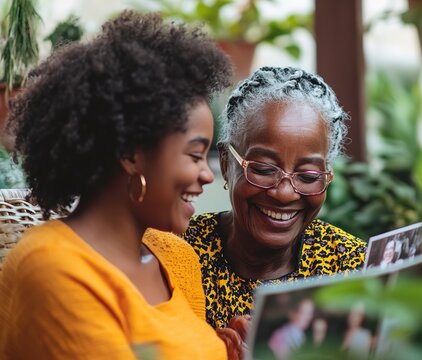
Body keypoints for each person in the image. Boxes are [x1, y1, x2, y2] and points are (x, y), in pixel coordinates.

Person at [0, 11, 244, 359]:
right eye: (194, 155)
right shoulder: (51, 268)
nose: (207, 174)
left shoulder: (175, 257)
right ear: (130, 155)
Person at [184, 66, 367, 329]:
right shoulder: (180, 256)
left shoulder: (351, 270)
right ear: (226, 163)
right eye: (263, 169)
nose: (285, 193)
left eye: (308, 175)